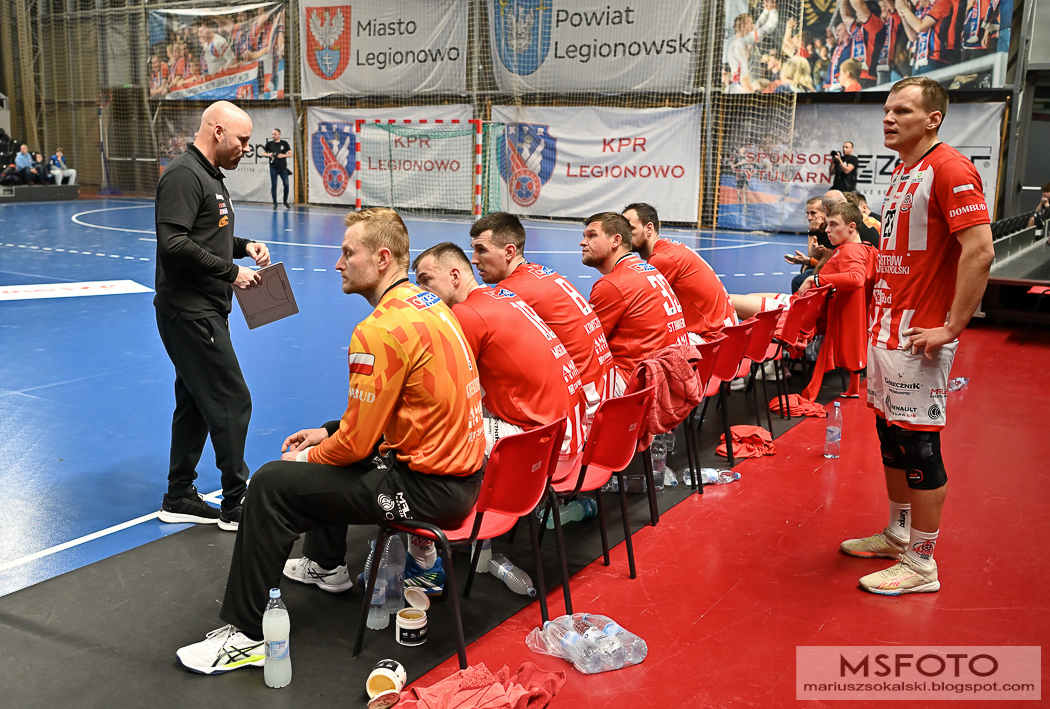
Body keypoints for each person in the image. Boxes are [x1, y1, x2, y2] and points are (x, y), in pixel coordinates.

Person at [175, 208, 486, 674]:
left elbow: (354, 448)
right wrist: (328, 432)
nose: (338, 263)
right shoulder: (431, 305)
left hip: (429, 491)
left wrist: (306, 457)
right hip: (461, 476)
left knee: (271, 484)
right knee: (331, 441)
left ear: (382, 259)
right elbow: (393, 411)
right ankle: (324, 564)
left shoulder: (378, 330)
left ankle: (247, 635)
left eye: (348, 253)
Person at [841, 77, 994, 595]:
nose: (889, 118)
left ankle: (922, 563)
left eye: (902, 111)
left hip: (918, 336)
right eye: (887, 109)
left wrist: (952, 326)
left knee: (919, 446)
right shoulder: (905, 170)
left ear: (933, 119)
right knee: (891, 438)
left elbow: (980, 250)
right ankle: (898, 535)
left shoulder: (950, 168)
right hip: (886, 330)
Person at [154, 101, 270, 532]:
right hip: (190, 312)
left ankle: (178, 496)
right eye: (242, 140)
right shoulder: (184, 175)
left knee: (196, 402)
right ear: (218, 131)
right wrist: (231, 272)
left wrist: (244, 246)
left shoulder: (211, 176)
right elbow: (174, 243)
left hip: (204, 311)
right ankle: (236, 503)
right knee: (232, 399)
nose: (246, 148)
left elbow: (208, 234)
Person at [413, 242, 584, 460]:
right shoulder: (503, 296)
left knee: (430, 426)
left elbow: (440, 391)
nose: (421, 292)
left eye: (426, 280)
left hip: (544, 445)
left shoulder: (466, 313)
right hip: (569, 433)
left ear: (455, 276)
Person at [468, 211, 610, 423]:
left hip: (583, 408)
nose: (474, 260)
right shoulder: (541, 272)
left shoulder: (512, 292)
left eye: (482, 250)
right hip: (601, 391)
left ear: (509, 252)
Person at [581, 212, 688, 398]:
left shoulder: (613, 284)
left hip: (641, 385)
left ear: (616, 241)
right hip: (672, 378)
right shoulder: (648, 269)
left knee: (564, 379)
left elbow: (584, 344)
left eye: (592, 235)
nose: (583, 242)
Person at [623, 202, 737, 344]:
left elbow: (636, 307)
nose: (624, 235)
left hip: (712, 340)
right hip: (724, 333)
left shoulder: (662, 259)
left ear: (649, 229)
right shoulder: (669, 247)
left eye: (630, 228)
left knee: (637, 340)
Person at [796, 202, 878, 398]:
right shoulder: (868, 249)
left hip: (806, 314)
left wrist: (814, 279)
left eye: (833, 224)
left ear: (851, 227)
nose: (827, 229)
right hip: (833, 316)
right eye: (828, 225)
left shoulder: (850, 250)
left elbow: (856, 278)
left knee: (742, 303)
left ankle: (773, 368)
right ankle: (852, 388)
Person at [725, 0, 780, 93]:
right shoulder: (743, 43)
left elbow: (758, 25)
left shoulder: (736, 44)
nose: (753, 25)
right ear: (743, 26)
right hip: (748, 89)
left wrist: (766, 11)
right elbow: (769, 26)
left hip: (739, 88)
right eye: (751, 23)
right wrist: (773, 10)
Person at [897, 0, 958, 75]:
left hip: (935, 58)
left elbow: (920, 27)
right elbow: (912, 37)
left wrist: (905, 10)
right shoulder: (923, 9)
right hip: (918, 60)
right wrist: (903, 16)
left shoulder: (943, 3)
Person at [784, 196, 829, 293]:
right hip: (821, 265)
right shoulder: (814, 229)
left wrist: (808, 261)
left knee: (798, 280)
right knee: (805, 269)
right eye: (807, 213)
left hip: (832, 268)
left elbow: (827, 263)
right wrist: (812, 232)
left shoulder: (830, 230)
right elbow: (811, 255)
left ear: (825, 213)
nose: (809, 217)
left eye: (813, 213)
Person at [842, 0, 886, 89]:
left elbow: (859, 6)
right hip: (853, 77)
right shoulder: (858, 29)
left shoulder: (875, 24)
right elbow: (845, 15)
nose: (856, 14)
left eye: (858, 12)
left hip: (866, 78)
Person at [260, 128, 292, 209]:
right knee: (274, 185)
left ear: (279, 135)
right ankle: (275, 203)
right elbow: (263, 153)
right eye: (273, 134)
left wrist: (283, 155)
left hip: (283, 168)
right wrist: (269, 155)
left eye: (275, 134)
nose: (273, 136)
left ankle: (285, 201)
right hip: (273, 168)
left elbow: (290, 154)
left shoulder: (284, 143)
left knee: (286, 185)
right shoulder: (269, 144)